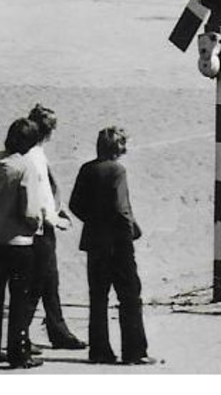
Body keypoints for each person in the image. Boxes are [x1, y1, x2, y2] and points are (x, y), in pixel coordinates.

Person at [68, 126, 155, 366]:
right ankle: (134, 351)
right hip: (117, 241)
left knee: (98, 297)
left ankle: (99, 350)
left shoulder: (87, 169)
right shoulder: (117, 170)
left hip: (94, 240)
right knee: (129, 295)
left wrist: (94, 220)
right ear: (118, 147)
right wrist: (132, 229)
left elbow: (75, 204)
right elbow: (121, 206)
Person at [0, 117, 44, 369]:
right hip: (19, 241)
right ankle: (18, 352)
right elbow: (30, 210)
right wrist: (36, 224)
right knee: (19, 299)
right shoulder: (25, 166)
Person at [26, 105, 85, 351]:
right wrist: (55, 218)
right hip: (39, 228)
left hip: (43, 225)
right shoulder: (33, 157)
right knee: (39, 282)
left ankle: (57, 330)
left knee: (49, 282)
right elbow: (38, 196)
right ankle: (25, 335)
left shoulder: (35, 153)